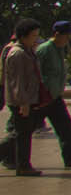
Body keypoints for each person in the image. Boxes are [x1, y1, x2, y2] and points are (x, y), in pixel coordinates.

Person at [34, 21, 71, 168]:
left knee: (66, 127)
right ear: (57, 34)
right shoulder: (44, 50)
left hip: (55, 97)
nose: (68, 39)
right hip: (42, 97)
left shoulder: (60, 49)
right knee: (24, 130)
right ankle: (6, 152)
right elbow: (34, 72)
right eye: (66, 36)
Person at [2, 19, 48, 176]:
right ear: (23, 36)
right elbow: (18, 81)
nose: (35, 39)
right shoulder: (18, 54)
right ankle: (23, 165)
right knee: (22, 134)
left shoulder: (27, 51)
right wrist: (24, 102)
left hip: (27, 99)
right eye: (33, 36)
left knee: (23, 133)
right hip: (21, 101)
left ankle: (23, 164)